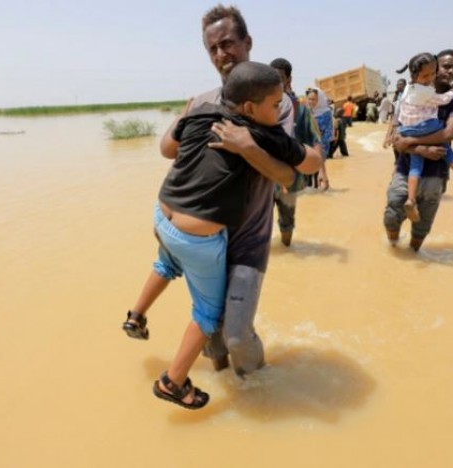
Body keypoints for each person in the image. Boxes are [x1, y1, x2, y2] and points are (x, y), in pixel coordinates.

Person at [123, 5, 322, 384]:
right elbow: (169, 152)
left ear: (247, 42)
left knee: (236, 333)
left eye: (228, 44)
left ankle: (260, 394)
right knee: (212, 338)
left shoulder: (278, 104)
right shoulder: (202, 102)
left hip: (248, 239)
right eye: (212, 48)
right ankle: (225, 395)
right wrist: (187, 116)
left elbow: (300, 174)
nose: (221, 55)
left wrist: (248, 147)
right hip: (204, 238)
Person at [383, 49, 453, 252]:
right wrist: (418, 148)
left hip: (436, 172)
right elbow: (397, 137)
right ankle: (393, 249)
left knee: (422, 226)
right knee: (391, 214)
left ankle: (413, 257)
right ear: (433, 66)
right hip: (404, 169)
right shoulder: (411, 93)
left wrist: (412, 143)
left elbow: (449, 134)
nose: (449, 71)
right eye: (445, 66)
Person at [393, 52, 453, 223]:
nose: (450, 71)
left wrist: (408, 139)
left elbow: (400, 114)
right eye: (445, 67)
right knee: (447, 148)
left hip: (409, 130)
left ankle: (411, 200)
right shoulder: (426, 91)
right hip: (425, 128)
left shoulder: (408, 89)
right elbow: (442, 107)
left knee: (415, 166)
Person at [269, 57, 323, 247]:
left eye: (279, 79)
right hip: (263, 177)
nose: (275, 84)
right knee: (259, 225)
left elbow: (315, 141)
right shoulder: (261, 107)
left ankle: (286, 251)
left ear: (288, 80)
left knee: (287, 222)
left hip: (289, 179)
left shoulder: (300, 109)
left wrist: (322, 173)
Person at [305, 87, 332, 190]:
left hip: (321, 147)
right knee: (307, 175)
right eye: (309, 99)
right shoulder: (307, 111)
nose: (311, 102)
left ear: (319, 99)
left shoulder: (326, 113)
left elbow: (327, 134)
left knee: (318, 173)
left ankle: (321, 197)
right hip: (308, 147)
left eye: (314, 99)